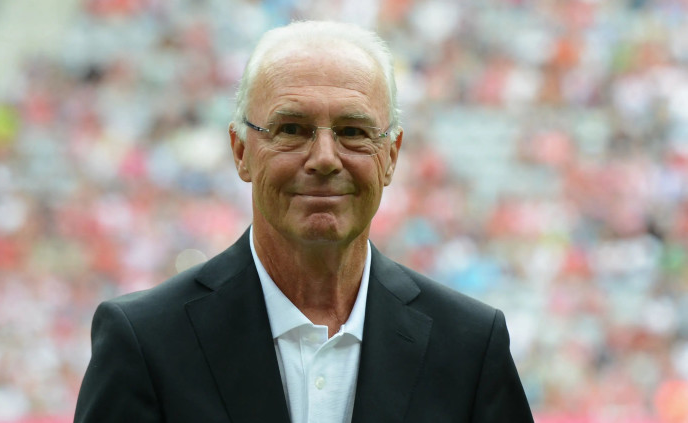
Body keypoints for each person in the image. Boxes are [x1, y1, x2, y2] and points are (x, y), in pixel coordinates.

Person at [74, 20, 534, 423]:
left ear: (391, 156)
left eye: (353, 131)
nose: (325, 158)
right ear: (241, 151)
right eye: (292, 129)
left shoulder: (469, 347)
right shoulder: (146, 342)